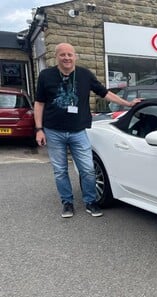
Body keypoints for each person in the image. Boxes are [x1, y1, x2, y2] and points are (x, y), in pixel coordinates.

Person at [34, 42, 141, 218]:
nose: (67, 58)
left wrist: (128, 104)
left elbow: (104, 93)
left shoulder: (84, 75)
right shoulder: (46, 76)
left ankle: (90, 201)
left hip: (78, 131)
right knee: (60, 170)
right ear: (56, 57)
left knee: (88, 169)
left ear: (75, 56)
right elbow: (39, 103)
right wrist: (39, 129)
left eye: (70, 54)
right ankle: (67, 202)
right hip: (53, 131)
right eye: (63, 55)